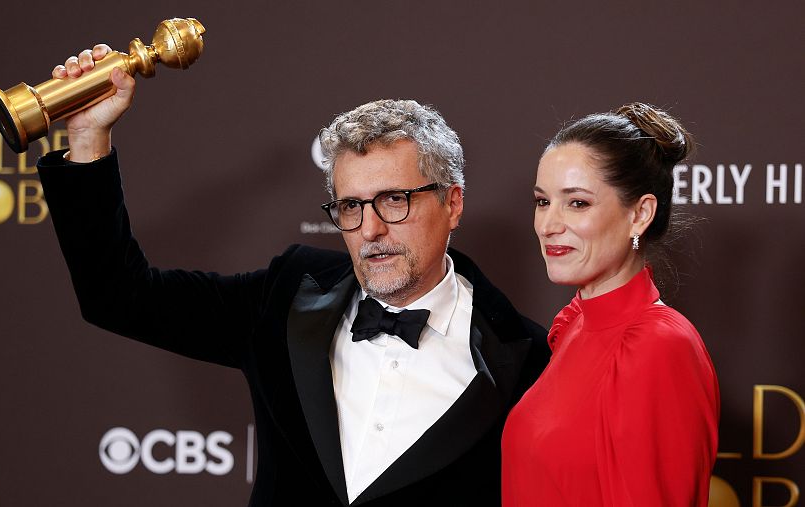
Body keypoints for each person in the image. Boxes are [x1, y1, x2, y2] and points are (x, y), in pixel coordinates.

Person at [38, 45, 548, 506]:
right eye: (350, 206)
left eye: (395, 200)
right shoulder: (286, 295)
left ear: (452, 203)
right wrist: (88, 138)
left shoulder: (527, 358)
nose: (370, 230)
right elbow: (119, 296)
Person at [501, 103, 720, 506]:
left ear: (640, 214)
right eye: (542, 201)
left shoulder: (659, 346)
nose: (548, 225)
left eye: (577, 203)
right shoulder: (575, 325)